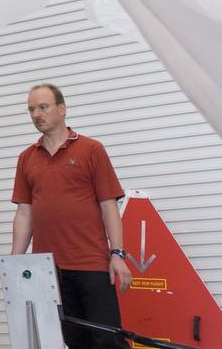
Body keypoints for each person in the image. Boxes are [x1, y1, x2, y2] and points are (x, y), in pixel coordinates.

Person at [11, 83, 131, 349]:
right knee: (74, 341)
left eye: (43, 107)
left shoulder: (91, 149)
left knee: (108, 340)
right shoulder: (26, 158)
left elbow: (108, 205)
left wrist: (117, 253)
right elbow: (24, 212)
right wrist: (15, 264)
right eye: (31, 110)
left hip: (91, 264)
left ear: (62, 109)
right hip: (49, 270)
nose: (36, 115)